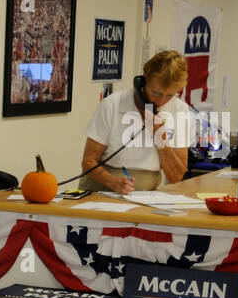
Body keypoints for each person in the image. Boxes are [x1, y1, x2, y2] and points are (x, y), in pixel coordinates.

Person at [80, 50, 191, 193]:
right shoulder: (112, 105)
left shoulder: (179, 110)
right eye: (155, 93)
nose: (161, 101)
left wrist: (160, 138)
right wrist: (112, 182)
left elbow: (175, 176)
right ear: (143, 81)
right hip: (102, 190)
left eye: (169, 95)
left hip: (146, 194)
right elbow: (88, 162)